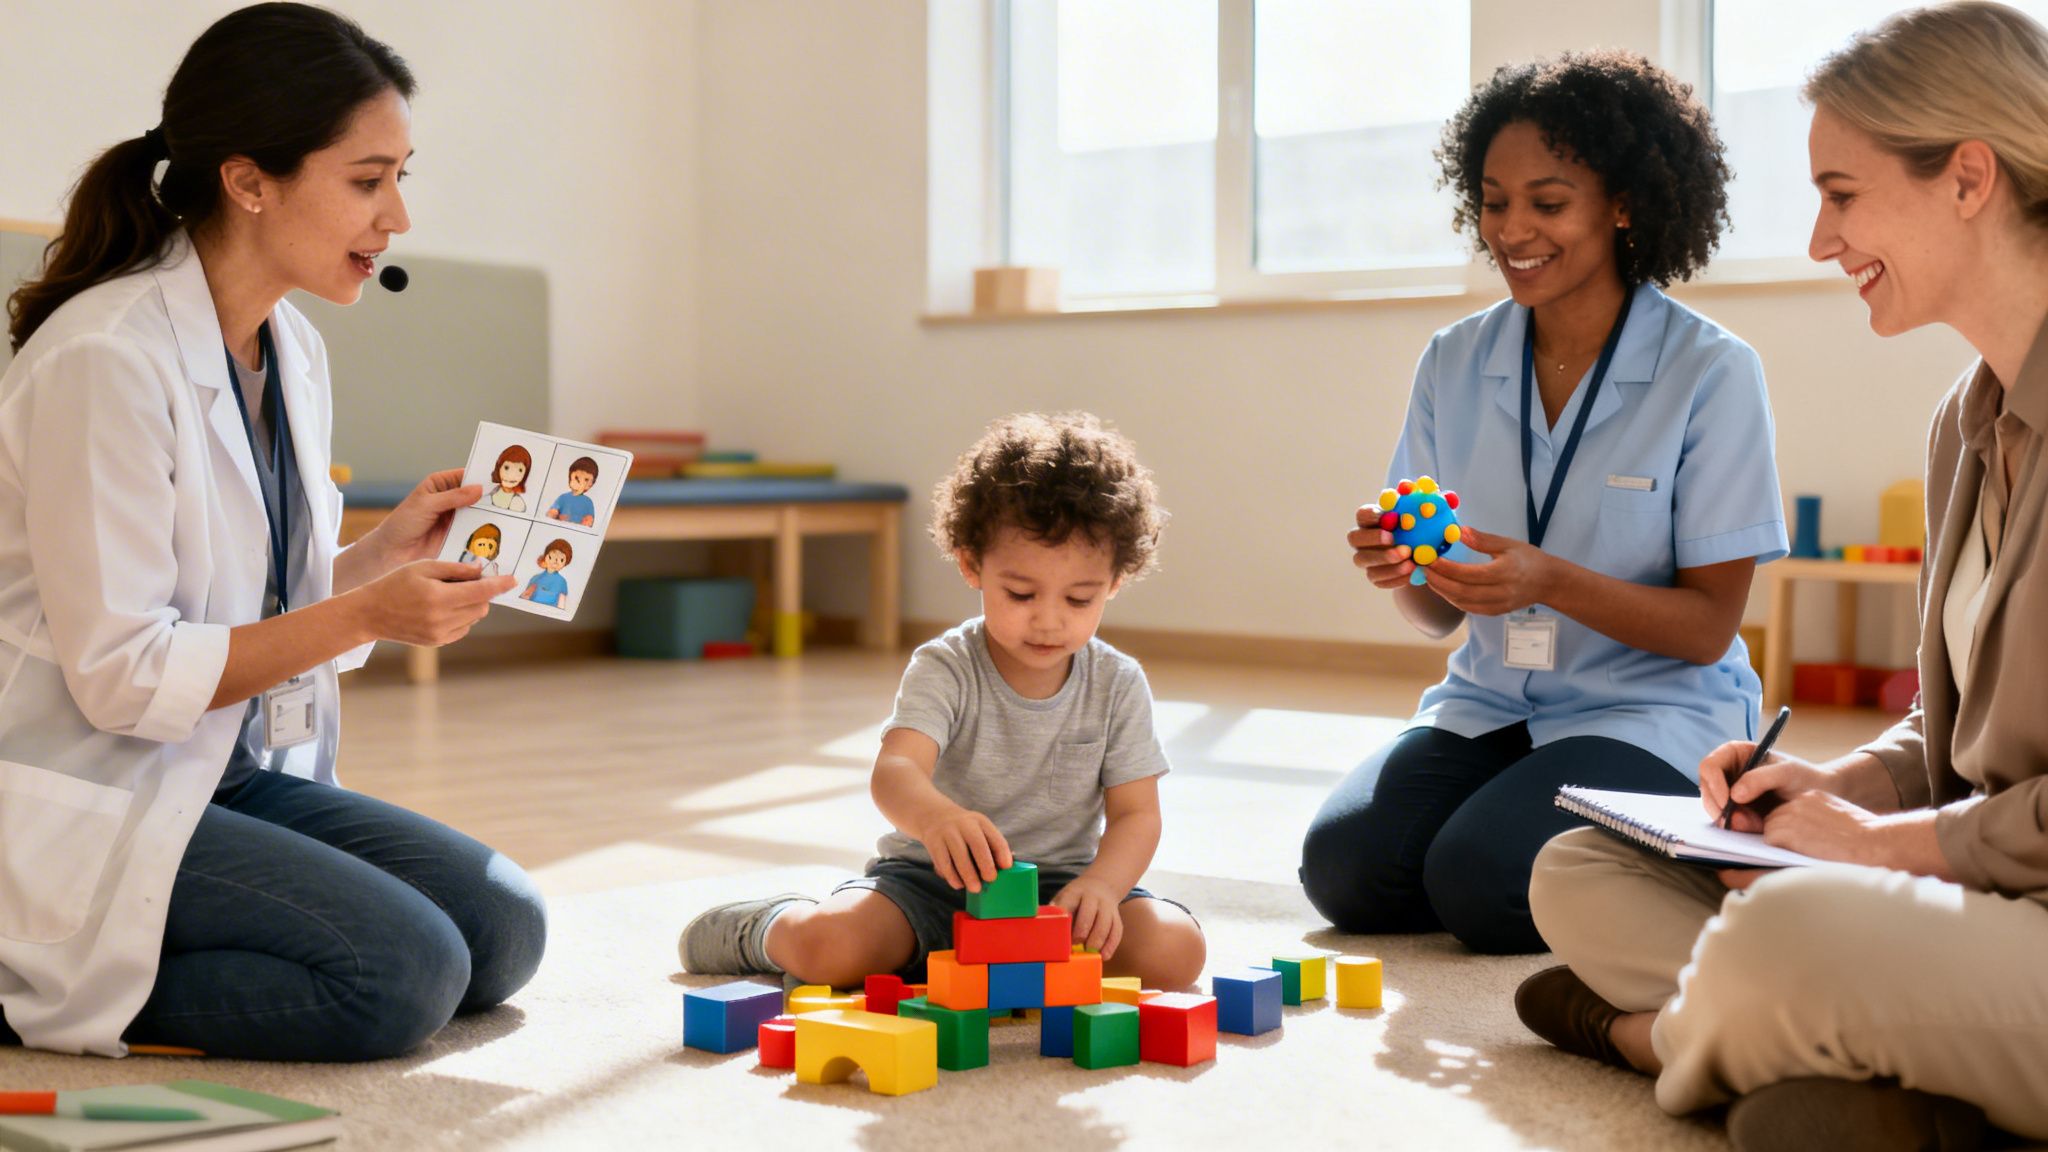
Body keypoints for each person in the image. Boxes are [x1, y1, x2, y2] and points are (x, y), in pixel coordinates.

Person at [1518, 5, 2048, 1148]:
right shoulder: (1967, 420)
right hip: (1973, 904)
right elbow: (1956, 733)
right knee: (1578, 867)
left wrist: (1879, 852)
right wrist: (1833, 789)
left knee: (1783, 940)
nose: (1818, 240)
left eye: (1841, 194)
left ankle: (1652, 1040)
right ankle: (1900, 1085)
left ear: (1967, 177)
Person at [0, 3, 543, 1061]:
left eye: (401, 176)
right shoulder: (103, 360)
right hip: (90, 777)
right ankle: (26, 979)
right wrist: (362, 617)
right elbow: (123, 672)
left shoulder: (287, 348)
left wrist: (379, 560)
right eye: (365, 178)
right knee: (403, 974)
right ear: (250, 182)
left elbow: (239, 604)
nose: (396, 217)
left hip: (220, 768)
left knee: (502, 927)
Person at [1299, 50, 1788, 955]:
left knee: (1479, 882)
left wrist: (1549, 581)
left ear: (1624, 205)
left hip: (1649, 713)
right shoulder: (1453, 360)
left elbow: (1707, 628)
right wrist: (1405, 568)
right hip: (1492, 703)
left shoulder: (1711, 372)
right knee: (1344, 868)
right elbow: (1431, 617)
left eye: (1548, 202)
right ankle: (1551, 838)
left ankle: (1689, 839)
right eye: (1494, 201)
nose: (1512, 229)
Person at [679, 412, 1206, 990]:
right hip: (928, 886)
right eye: (1021, 593)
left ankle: (1011, 960)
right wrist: (937, 817)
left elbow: (1137, 814)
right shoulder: (946, 665)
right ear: (971, 566)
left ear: (1114, 584)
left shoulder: (1118, 682)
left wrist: (1104, 885)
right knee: (827, 947)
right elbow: (897, 768)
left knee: (1175, 950)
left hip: (1063, 891)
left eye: (1079, 598)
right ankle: (762, 926)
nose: (1049, 619)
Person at [546, 457, 599, 526]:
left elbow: (589, 519)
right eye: (577, 478)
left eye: (586, 480)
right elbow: (552, 512)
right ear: (570, 477)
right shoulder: (563, 498)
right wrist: (554, 515)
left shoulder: (588, 502)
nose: (581, 483)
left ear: (591, 484)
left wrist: (585, 524)